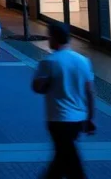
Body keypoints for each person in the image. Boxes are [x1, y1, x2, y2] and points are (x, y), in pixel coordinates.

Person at [32, 23, 95, 179]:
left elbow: (37, 87)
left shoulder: (49, 62)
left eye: (49, 36)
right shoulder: (83, 61)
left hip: (58, 118)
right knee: (63, 156)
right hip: (78, 118)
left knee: (67, 159)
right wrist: (90, 117)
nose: (48, 40)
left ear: (54, 38)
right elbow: (90, 91)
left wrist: (48, 84)